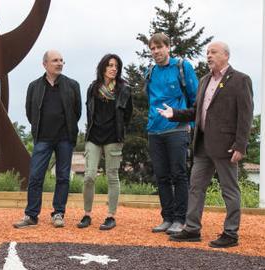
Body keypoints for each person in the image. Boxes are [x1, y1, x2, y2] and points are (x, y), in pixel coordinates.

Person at [158, 41, 253, 248]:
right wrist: (174, 113)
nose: (208, 56)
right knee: (195, 187)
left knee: (229, 190)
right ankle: (192, 229)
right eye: (207, 52)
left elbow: (245, 115)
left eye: (213, 52)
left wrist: (240, 145)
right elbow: (196, 111)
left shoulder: (240, 80)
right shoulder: (204, 80)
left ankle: (230, 233)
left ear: (226, 56)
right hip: (202, 145)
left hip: (226, 146)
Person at [13, 50, 82, 229]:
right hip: (42, 138)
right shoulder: (34, 86)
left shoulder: (72, 85)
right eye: (55, 61)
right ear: (45, 64)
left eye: (61, 60)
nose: (59, 63)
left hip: (65, 139)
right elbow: (30, 112)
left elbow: (77, 112)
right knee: (35, 177)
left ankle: (58, 213)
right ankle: (31, 215)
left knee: (63, 177)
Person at [145, 32, 199, 235]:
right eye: (152, 48)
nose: (156, 51)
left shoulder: (182, 67)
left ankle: (180, 218)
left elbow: (195, 97)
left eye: (159, 47)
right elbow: (149, 97)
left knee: (178, 174)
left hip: (177, 128)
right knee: (161, 176)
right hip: (154, 130)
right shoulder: (150, 71)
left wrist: (191, 125)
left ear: (168, 47)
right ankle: (167, 217)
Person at [79, 54, 133, 231]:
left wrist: (119, 131)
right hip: (94, 137)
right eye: (110, 65)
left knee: (112, 176)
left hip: (113, 137)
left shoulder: (124, 89)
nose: (113, 68)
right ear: (103, 67)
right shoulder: (93, 88)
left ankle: (111, 216)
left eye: (116, 66)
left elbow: (127, 115)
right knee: (89, 176)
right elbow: (89, 111)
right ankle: (87, 214)